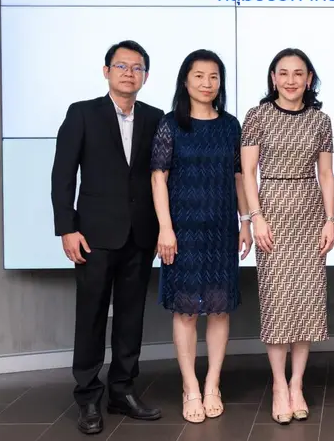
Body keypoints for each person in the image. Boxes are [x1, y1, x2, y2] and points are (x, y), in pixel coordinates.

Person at [51, 40, 164, 435]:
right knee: (92, 316)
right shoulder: (82, 113)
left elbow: (160, 178)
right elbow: (63, 174)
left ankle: (123, 391)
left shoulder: (155, 118)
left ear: (145, 76)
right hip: (93, 236)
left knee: (132, 317)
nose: (129, 73)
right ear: (106, 71)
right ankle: (87, 397)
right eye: (121, 66)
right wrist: (67, 227)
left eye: (137, 67)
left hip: (141, 234)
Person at [150, 49, 252, 424]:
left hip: (222, 228)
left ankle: (212, 383)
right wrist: (165, 227)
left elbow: (239, 178)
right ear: (185, 80)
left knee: (219, 308)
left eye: (214, 77)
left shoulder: (230, 126)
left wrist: (245, 222)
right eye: (199, 76)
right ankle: (190, 385)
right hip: (182, 230)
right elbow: (158, 178)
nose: (207, 83)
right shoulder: (170, 125)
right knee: (187, 311)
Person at [240, 48, 334, 425]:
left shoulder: (320, 120)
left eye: (299, 73)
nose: (291, 80)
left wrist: (331, 220)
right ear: (273, 78)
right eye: (284, 73)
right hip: (272, 214)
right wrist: (256, 218)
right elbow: (248, 173)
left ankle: (297, 384)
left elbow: (326, 174)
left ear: (309, 79)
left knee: (306, 301)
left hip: (310, 213)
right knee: (278, 301)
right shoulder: (257, 115)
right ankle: (279, 385)